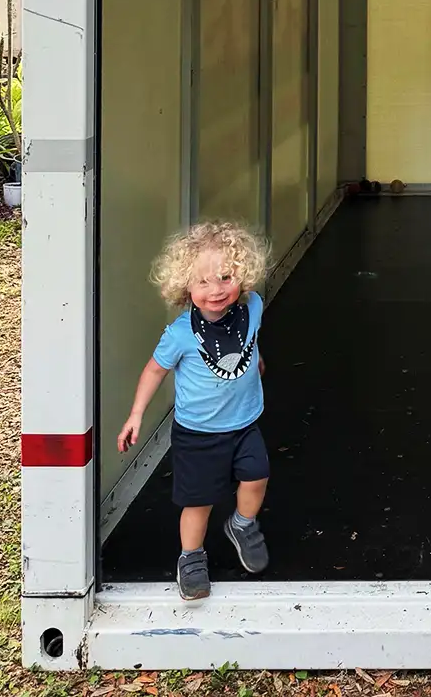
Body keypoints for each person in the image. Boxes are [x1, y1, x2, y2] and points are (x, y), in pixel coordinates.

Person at [118, 222, 272, 600]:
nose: (215, 289)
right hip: (199, 433)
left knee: (257, 476)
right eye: (202, 282)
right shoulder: (181, 333)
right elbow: (155, 370)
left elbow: (249, 340)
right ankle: (191, 557)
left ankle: (242, 524)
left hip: (245, 421)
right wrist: (136, 414)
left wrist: (256, 363)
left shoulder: (253, 306)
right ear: (185, 286)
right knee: (198, 501)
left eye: (225, 277)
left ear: (243, 276)